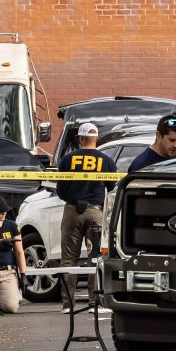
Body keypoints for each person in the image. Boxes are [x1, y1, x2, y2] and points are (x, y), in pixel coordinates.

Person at [57, 122, 117, 314]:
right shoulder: (106, 161)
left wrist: (75, 198)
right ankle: (95, 302)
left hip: (72, 212)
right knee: (96, 258)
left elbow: (60, 190)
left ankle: (68, 304)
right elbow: (111, 188)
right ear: (96, 138)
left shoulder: (68, 159)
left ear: (80, 139)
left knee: (69, 259)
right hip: (95, 212)